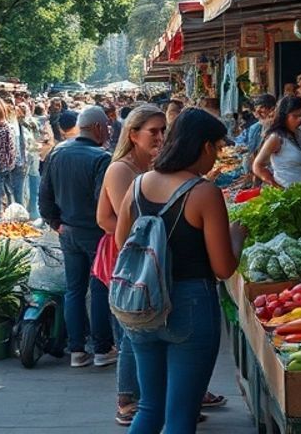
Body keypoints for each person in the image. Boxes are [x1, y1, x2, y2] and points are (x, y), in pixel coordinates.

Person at [115, 108, 245, 434]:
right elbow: (223, 268)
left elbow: (122, 245)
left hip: (142, 306)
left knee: (150, 408)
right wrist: (238, 235)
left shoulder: (138, 185)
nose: (216, 157)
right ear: (204, 147)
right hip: (190, 305)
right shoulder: (204, 193)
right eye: (216, 148)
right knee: (181, 418)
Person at [96, 104, 166, 423]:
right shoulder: (121, 169)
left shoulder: (153, 164)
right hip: (126, 256)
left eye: (164, 131)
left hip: (149, 255)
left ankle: (163, 392)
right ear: (134, 135)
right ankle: (126, 399)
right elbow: (110, 220)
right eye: (154, 132)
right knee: (130, 329)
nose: (161, 137)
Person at [39, 106, 116, 368]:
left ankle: (77, 350)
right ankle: (102, 349)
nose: (109, 129)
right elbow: (101, 202)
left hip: (68, 230)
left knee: (74, 289)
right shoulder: (101, 158)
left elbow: (44, 194)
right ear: (96, 128)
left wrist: (55, 222)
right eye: (106, 125)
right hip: (94, 232)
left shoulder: (57, 153)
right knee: (98, 288)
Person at [253, 96, 301, 188]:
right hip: (287, 193)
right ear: (284, 115)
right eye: (295, 116)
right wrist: (276, 186)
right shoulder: (276, 138)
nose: (300, 119)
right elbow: (257, 166)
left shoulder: (299, 134)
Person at [239, 94, 278, 176]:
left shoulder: (278, 130)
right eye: (256, 112)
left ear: (272, 110)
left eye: (262, 112)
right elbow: (253, 152)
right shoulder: (256, 128)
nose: (258, 115)